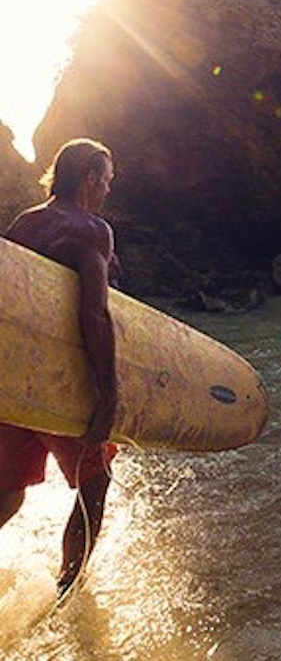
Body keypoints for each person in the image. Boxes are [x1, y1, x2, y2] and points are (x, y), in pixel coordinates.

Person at [0, 139, 120, 598]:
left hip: (11, 382)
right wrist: (107, 397)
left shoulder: (23, 223)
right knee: (95, 481)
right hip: (58, 381)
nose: (107, 189)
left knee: (7, 495)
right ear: (89, 178)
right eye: (105, 180)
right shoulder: (92, 229)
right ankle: (67, 590)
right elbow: (95, 315)